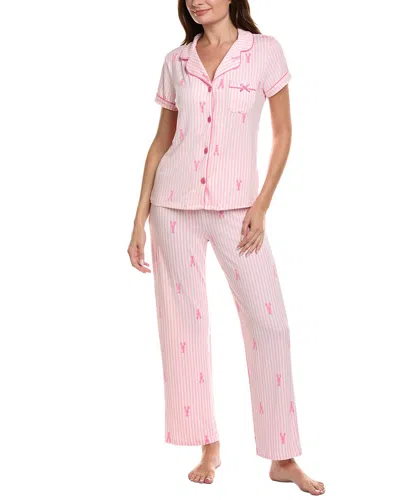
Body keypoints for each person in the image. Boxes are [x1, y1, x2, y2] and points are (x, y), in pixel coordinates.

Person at [128, 0, 325, 495]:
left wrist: (262, 204)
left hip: (239, 208)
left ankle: (283, 457)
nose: (198, 0)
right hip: (172, 205)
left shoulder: (265, 52)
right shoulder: (176, 61)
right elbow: (161, 142)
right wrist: (138, 218)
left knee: (270, 325)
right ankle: (208, 445)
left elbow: (283, 133)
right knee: (184, 326)